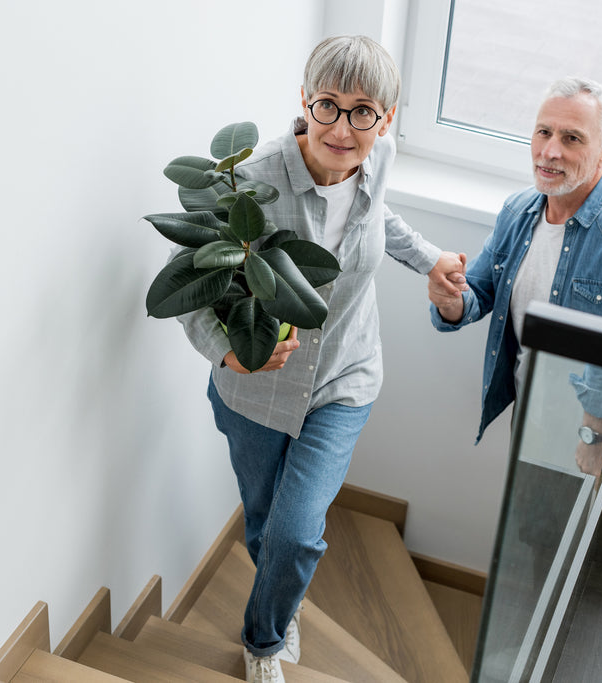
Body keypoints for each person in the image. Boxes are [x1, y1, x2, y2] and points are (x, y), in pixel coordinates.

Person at [177, 35, 465, 683]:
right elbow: (193, 293)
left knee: (296, 531)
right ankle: (281, 593)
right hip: (255, 393)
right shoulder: (251, 185)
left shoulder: (378, 159)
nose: (342, 127)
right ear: (304, 102)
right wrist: (231, 352)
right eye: (328, 106)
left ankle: (263, 638)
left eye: (363, 111)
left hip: (345, 378)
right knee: (264, 525)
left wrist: (432, 259)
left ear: (385, 119)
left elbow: (377, 219)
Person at [429, 77, 602, 493]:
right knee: (530, 544)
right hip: (530, 422)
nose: (550, 151)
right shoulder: (518, 211)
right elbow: (478, 294)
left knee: (585, 554)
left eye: (572, 138)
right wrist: (448, 299)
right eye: (544, 132)